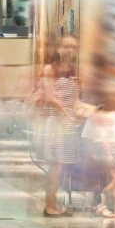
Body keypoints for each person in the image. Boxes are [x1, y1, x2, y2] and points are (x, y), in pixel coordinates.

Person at [36, 35, 81, 217]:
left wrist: (81, 112)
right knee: (55, 165)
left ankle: (54, 203)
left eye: (74, 48)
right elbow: (50, 97)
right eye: (67, 47)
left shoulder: (74, 71)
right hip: (56, 124)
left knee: (61, 166)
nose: (70, 51)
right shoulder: (50, 69)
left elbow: (76, 100)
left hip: (68, 124)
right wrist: (67, 114)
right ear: (58, 48)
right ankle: (49, 205)